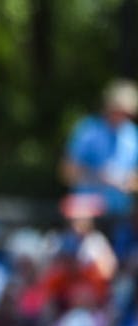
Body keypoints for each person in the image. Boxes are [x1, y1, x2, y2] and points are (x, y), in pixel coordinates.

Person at [61, 78, 138, 257]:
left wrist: (127, 182)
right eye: (117, 110)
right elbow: (67, 172)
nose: (121, 116)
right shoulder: (88, 131)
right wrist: (98, 176)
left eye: (126, 112)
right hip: (87, 217)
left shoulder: (133, 136)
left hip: (122, 218)